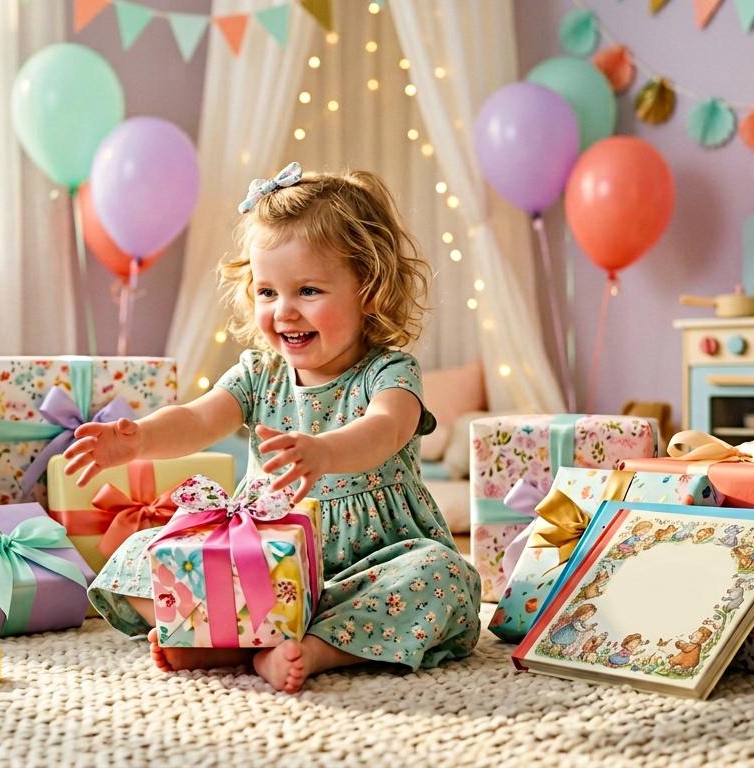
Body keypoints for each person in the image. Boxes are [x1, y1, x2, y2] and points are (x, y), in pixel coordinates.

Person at [62, 162, 481, 693]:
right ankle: (241, 636)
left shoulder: (390, 371)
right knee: (139, 553)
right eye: (267, 292)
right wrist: (139, 439)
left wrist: (325, 452)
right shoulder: (260, 374)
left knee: (444, 577)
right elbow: (197, 418)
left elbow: (385, 428)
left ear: (368, 291)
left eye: (308, 290)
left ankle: (313, 649)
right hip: (260, 562)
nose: (284, 311)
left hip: (365, 568)